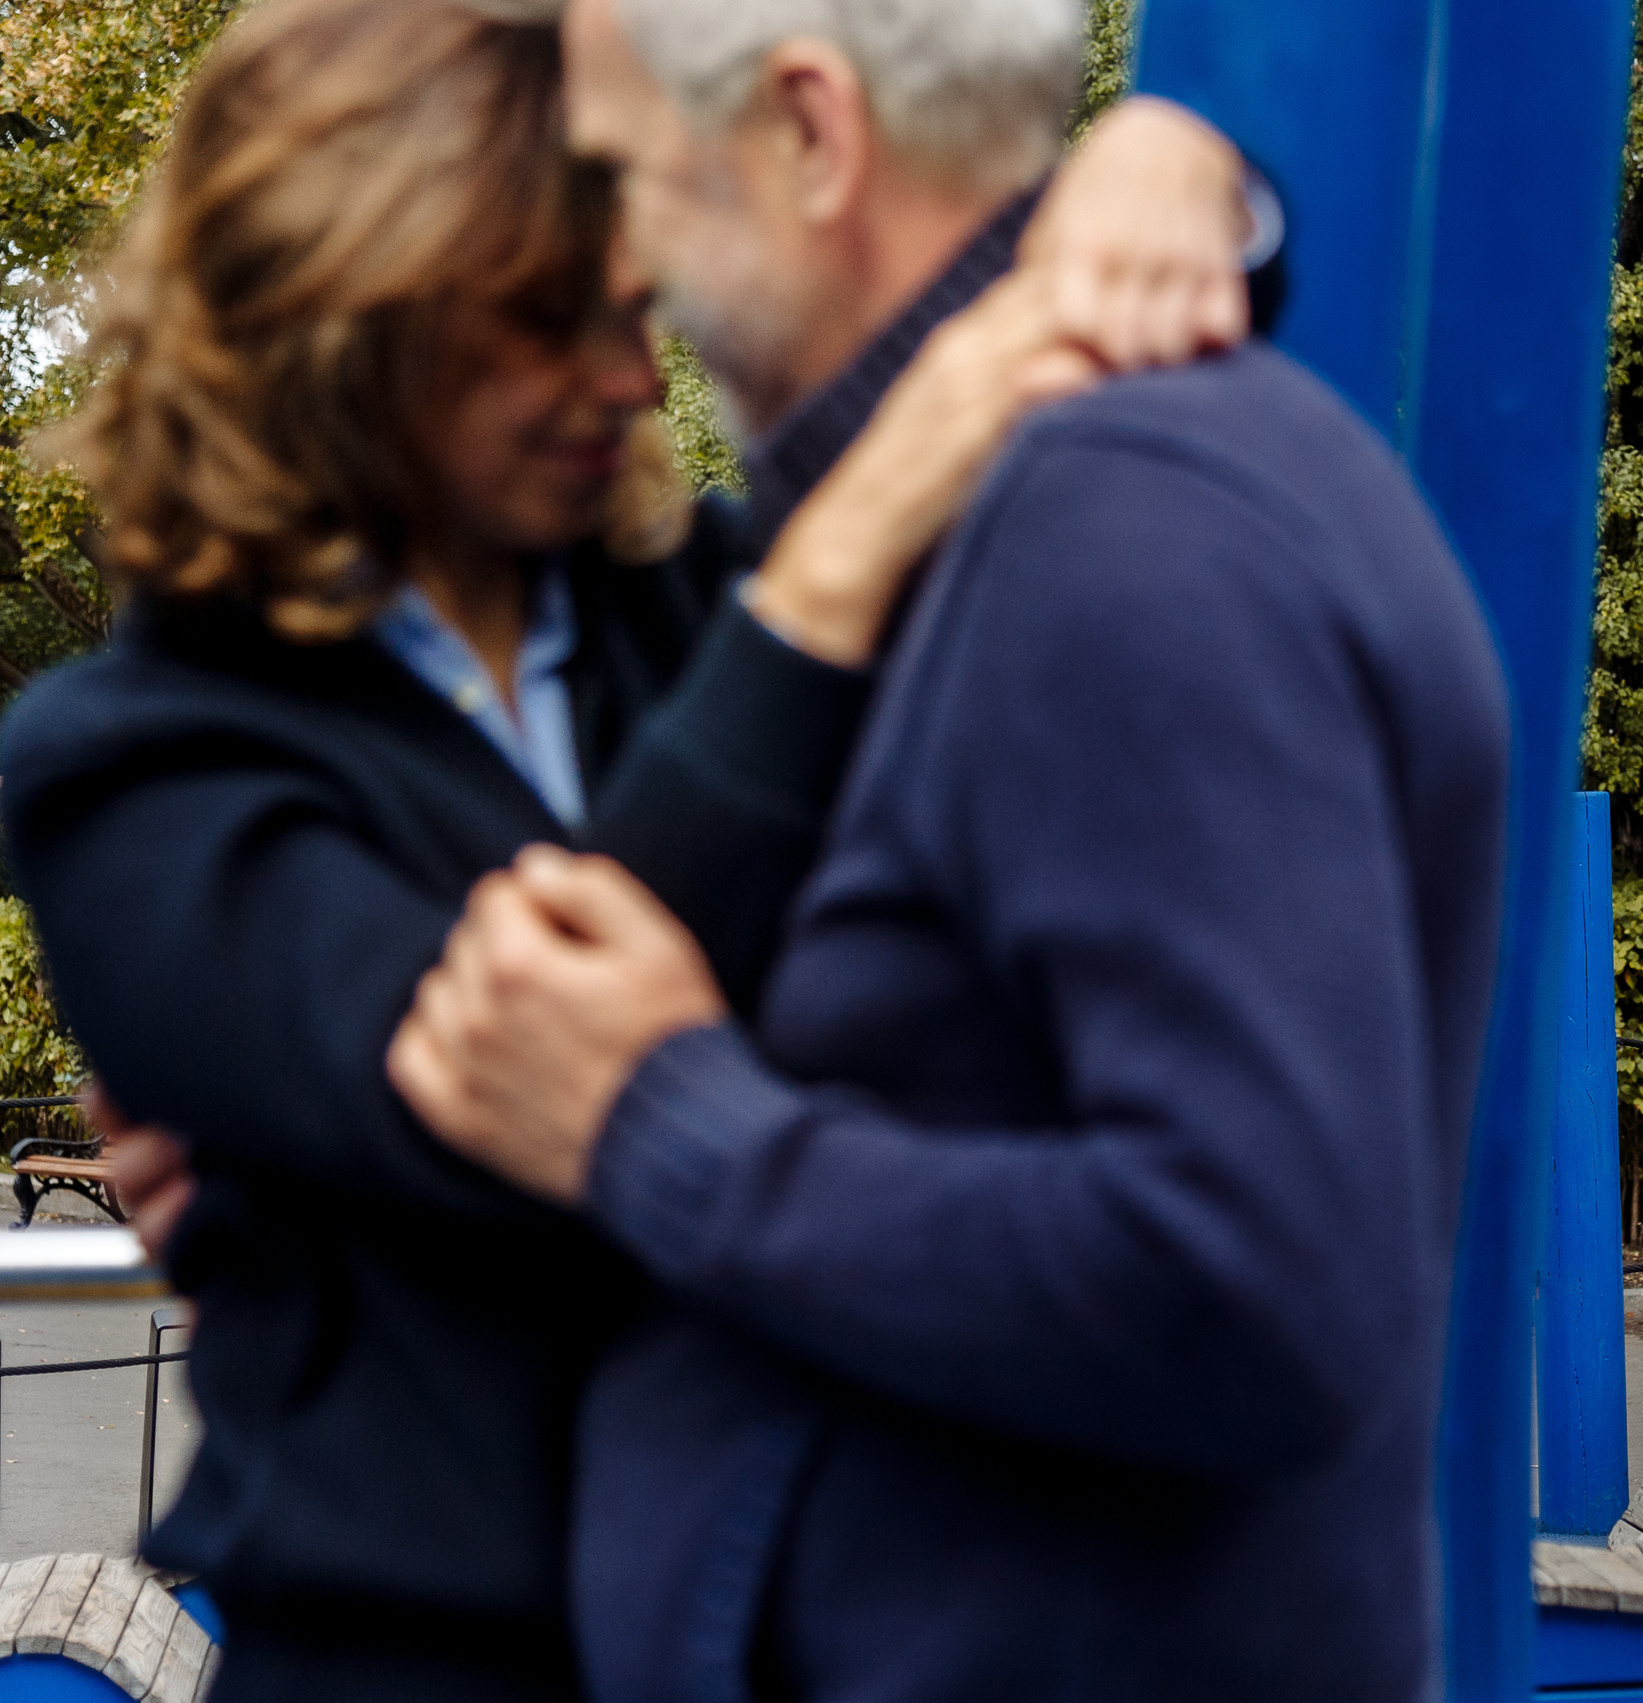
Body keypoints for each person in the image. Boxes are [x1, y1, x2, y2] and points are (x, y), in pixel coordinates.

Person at [0, 0, 1265, 1696]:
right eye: (546, 322)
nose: (622, 374)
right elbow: (500, 1071)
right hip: (426, 1660)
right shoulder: (128, 760)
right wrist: (839, 568)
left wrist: (1179, 174)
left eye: (631, 298)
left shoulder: (698, 609)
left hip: (812, 1622)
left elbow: (1073, 430)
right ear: (334, 319)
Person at [381, 0, 1514, 1698]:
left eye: (625, 176)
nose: (619, 262)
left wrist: (667, 1129)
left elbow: (1257, 1275)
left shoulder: (1115, 526)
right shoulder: (1006, 510)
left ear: (812, 135)